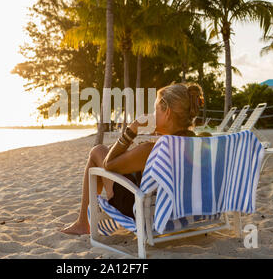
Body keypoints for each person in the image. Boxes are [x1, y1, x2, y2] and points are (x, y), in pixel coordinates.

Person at [61, 82, 206, 235]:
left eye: (156, 109)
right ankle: (83, 223)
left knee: (98, 151)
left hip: (140, 209)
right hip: (181, 209)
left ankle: (83, 223)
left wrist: (131, 130)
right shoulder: (197, 144)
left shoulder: (152, 150)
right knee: (109, 151)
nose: (153, 114)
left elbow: (108, 164)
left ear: (167, 112)